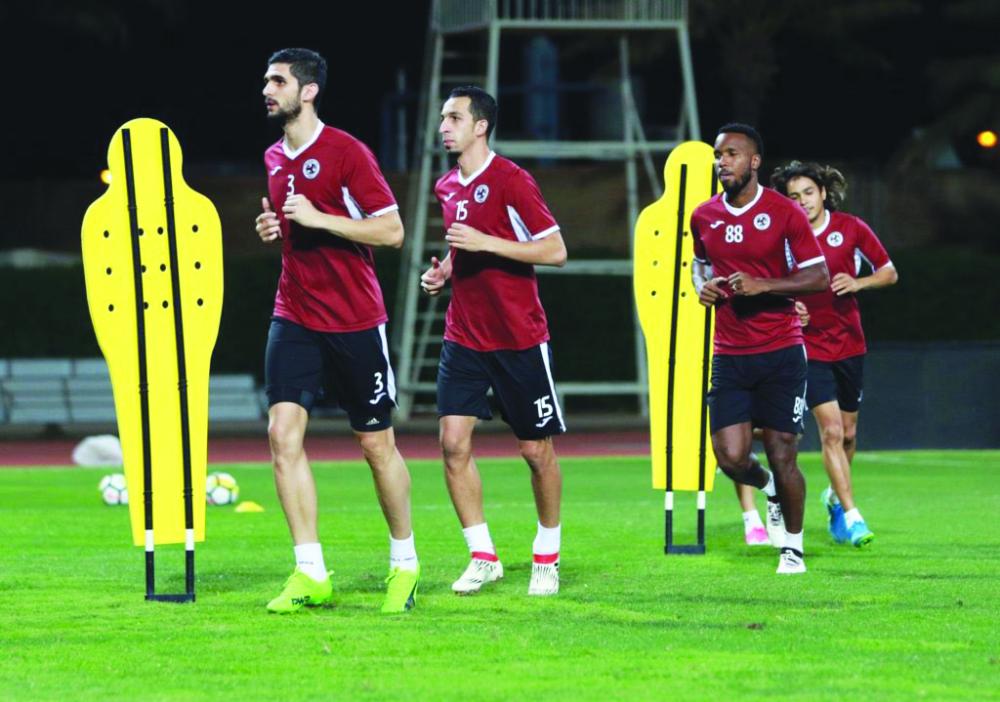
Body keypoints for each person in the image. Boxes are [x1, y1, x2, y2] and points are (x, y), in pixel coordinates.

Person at [254, 48, 419, 614]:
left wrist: (320, 219)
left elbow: (392, 231)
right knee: (282, 435)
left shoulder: (347, 152)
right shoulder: (274, 157)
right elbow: (294, 227)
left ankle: (404, 563)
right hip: (294, 313)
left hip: (354, 319)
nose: (267, 90)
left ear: (309, 91)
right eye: (266, 81)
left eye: (278, 81)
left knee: (375, 444)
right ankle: (310, 572)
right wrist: (274, 227)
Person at [420, 86, 568, 596]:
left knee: (534, 450)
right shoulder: (446, 185)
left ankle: (546, 555)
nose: (444, 126)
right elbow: (463, 248)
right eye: (443, 118)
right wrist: (444, 272)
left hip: (518, 337)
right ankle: (483, 556)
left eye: (454, 118)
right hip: (463, 335)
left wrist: (487, 243)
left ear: (481, 126)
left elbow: (555, 250)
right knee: (452, 443)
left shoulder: (511, 180)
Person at [690, 123, 829, 574]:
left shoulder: (784, 212)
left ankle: (793, 548)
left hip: (781, 350)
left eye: (731, 154)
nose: (722, 162)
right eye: (718, 155)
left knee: (783, 451)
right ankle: (768, 488)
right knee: (730, 458)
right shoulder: (703, 216)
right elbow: (699, 266)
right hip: (729, 353)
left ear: (754, 162)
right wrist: (703, 287)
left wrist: (763, 285)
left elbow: (819, 276)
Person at [770, 161, 898, 547]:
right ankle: (852, 515)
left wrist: (859, 281)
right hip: (807, 346)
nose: (803, 201)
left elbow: (889, 271)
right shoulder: (783, 239)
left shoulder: (851, 228)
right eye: (794, 196)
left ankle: (833, 497)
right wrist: (789, 306)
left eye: (809, 192)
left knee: (849, 434)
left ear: (823, 193)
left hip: (850, 344)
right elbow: (770, 284)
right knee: (831, 431)